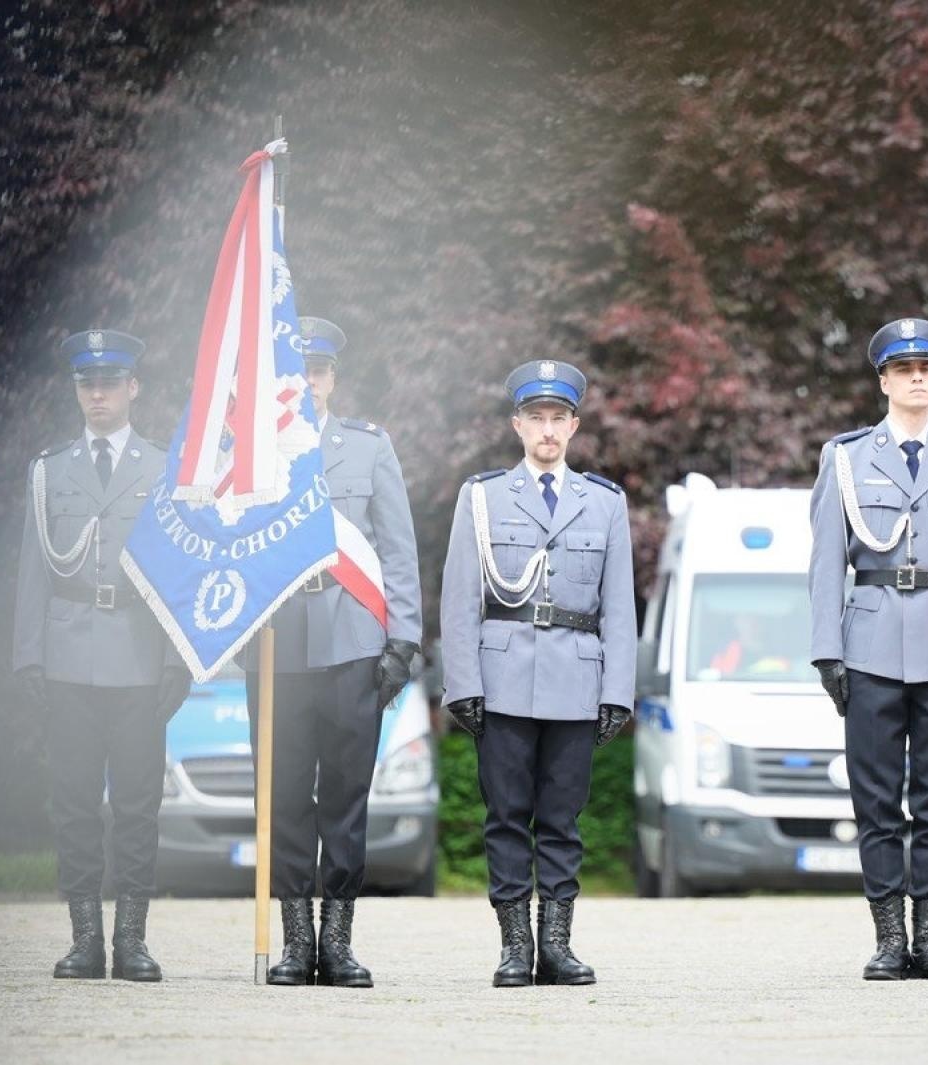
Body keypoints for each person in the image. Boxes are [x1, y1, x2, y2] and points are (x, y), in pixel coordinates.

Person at [807, 317, 928, 981]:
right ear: (884, 380)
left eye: (927, 369)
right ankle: (890, 940)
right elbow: (826, 560)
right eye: (904, 369)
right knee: (878, 800)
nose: (917, 377)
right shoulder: (846, 458)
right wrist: (827, 650)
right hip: (869, 642)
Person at [440, 359, 637, 988]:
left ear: (574, 425)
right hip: (501, 680)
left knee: (561, 819)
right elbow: (459, 599)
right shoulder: (483, 497)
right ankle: (514, 947)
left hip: (577, 680)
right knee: (504, 816)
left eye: (558, 418)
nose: (547, 429)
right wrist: (464, 683)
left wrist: (619, 692)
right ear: (517, 424)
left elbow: (620, 608)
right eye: (536, 418)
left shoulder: (604, 503)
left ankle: (556, 945)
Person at [242, 316, 423, 988]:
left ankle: (338, 943)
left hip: (353, 644)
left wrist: (402, 640)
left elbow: (398, 550)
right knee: (286, 794)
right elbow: (239, 551)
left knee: (346, 795)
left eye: (318, 371)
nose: (310, 382)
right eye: (298, 371)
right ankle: (295, 943)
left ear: (332, 378)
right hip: (279, 648)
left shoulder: (369, 447)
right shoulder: (255, 456)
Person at [13, 329, 190, 981]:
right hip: (67, 654)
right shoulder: (50, 469)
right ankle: (85, 939)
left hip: (142, 655)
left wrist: (177, 659)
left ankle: (132, 940)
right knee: (74, 800)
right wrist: (29, 654)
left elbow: (176, 571)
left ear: (132, 387)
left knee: (140, 804)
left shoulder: (163, 467)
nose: (98, 394)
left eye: (110, 382)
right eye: (88, 383)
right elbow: (34, 566)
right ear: (76, 389)